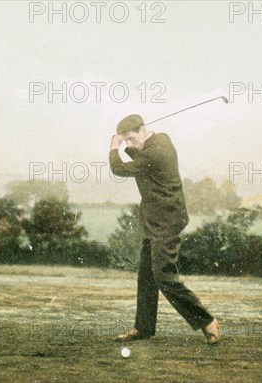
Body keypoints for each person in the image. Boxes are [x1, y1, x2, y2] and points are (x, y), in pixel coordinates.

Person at [109, 114, 221, 344]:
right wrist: (128, 145)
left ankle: (207, 321)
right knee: (147, 277)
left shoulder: (153, 152)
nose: (129, 144)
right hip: (157, 220)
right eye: (125, 141)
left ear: (143, 130)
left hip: (165, 222)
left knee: (164, 277)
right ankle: (144, 327)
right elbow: (140, 158)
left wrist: (114, 147)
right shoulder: (163, 140)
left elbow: (119, 169)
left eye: (131, 139)